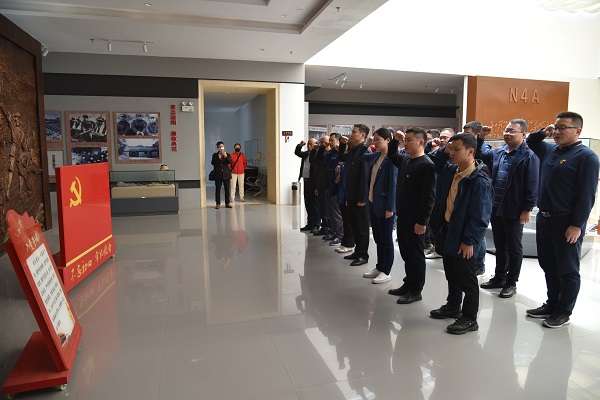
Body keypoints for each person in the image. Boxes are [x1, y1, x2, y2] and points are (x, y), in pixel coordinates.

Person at [525, 111, 599, 328]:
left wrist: (577, 225)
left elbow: (587, 195)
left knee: (567, 269)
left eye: (562, 128)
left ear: (578, 131)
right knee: (548, 265)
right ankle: (552, 304)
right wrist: (543, 131)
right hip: (545, 218)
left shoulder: (587, 157)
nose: (557, 132)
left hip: (566, 221)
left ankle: (564, 311)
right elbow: (531, 141)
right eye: (555, 127)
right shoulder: (551, 150)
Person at [430, 133, 493, 334]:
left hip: (464, 236)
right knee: (452, 273)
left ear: (471, 151)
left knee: (467, 279)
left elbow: (481, 216)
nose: (452, 153)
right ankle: (453, 305)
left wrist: (470, 240)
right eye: (450, 148)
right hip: (448, 230)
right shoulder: (452, 170)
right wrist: (444, 148)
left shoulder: (479, 180)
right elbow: (436, 164)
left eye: (456, 149)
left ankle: (470, 318)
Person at [478, 119, 540, 298]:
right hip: (496, 206)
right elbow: (479, 155)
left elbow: (532, 184)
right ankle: (499, 277)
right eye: (506, 130)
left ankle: (511, 282)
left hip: (514, 209)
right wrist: (481, 138)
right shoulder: (498, 152)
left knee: (513, 247)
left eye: (513, 131)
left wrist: (527, 208)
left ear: (523, 135)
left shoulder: (529, 156)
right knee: (500, 245)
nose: (507, 133)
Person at [387, 128, 436, 303]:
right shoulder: (406, 160)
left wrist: (422, 221)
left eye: (409, 140)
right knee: (406, 253)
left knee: (416, 256)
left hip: (416, 220)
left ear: (421, 142)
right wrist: (395, 140)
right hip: (403, 217)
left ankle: (416, 290)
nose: (405, 143)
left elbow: (429, 197)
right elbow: (392, 155)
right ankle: (408, 283)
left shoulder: (427, 165)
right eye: (405, 140)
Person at [355, 128, 397, 283]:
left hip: (385, 206)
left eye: (378, 139)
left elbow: (393, 185)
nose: (375, 142)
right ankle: (379, 267)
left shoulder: (392, 159)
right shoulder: (376, 156)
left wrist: (390, 208)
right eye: (374, 139)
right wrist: (366, 144)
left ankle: (386, 271)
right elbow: (359, 155)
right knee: (378, 238)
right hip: (373, 202)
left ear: (388, 140)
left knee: (386, 239)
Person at [338, 124, 371, 266]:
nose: (351, 134)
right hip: (351, 195)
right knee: (355, 225)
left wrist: (363, 198)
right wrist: (342, 144)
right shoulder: (354, 150)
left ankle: (363, 255)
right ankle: (357, 251)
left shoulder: (365, 151)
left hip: (360, 197)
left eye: (354, 132)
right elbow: (341, 157)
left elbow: (365, 176)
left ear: (363, 135)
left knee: (362, 227)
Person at [463, 121, 490, 275]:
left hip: (479, 192)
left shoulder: (484, 149)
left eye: (468, 133)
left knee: (478, 232)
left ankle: (479, 264)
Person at [425, 127, 455, 258]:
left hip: (448, 196)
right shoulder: (439, 153)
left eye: (445, 138)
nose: (442, 140)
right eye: (441, 137)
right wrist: (430, 145)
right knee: (435, 224)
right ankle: (438, 249)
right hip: (436, 194)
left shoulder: (455, 156)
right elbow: (424, 156)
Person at [322, 133, 344, 245]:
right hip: (329, 186)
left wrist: (338, 150)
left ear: (339, 141)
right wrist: (332, 149)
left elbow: (332, 162)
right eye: (330, 140)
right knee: (330, 212)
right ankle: (335, 232)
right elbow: (325, 159)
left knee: (336, 213)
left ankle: (340, 235)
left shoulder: (341, 154)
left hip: (337, 188)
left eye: (332, 140)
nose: (330, 142)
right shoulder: (332, 152)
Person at [295, 138, 320, 232]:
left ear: (316, 145)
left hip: (314, 182)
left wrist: (317, 186)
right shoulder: (306, 154)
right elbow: (297, 152)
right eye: (308, 144)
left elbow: (318, 173)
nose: (309, 146)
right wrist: (300, 146)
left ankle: (316, 225)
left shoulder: (317, 155)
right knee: (308, 204)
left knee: (315, 205)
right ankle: (310, 224)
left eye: (311, 144)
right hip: (306, 181)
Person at [313, 135, 331, 236]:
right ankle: (324, 227)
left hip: (328, 185)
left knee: (328, 209)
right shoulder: (322, 154)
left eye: (325, 142)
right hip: (320, 184)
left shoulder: (331, 154)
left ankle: (329, 228)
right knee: (322, 208)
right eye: (321, 142)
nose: (323, 144)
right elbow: (314, 160)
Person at [211, 141, 233, 209]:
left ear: (224, 146)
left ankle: (227, 203)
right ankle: (218, 203)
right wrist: (219, 158)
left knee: (227, 189)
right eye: (219, 147)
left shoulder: (227, 154)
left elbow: (230, 162)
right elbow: (213, 163)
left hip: (226, 174)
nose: (221, 148)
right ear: (217, 147)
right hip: (218, 175)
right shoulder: (215, 155)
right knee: (218, 189)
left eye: (222, 146)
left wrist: (225, 156)